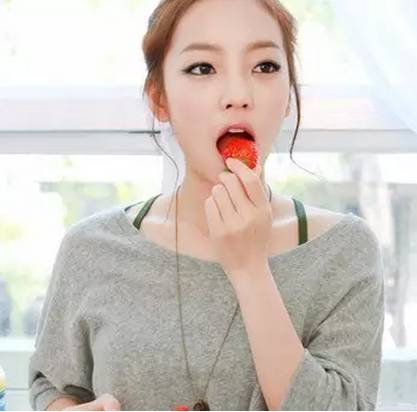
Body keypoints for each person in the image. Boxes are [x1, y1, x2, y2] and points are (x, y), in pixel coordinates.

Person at [28, 0, 385, 410]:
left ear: (288, 95)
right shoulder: (91, 247)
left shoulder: (343, 250)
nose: (238, 96)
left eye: (265, 66)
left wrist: (249, 269)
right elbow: (52, 386)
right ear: (159, 98)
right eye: (202, 68)